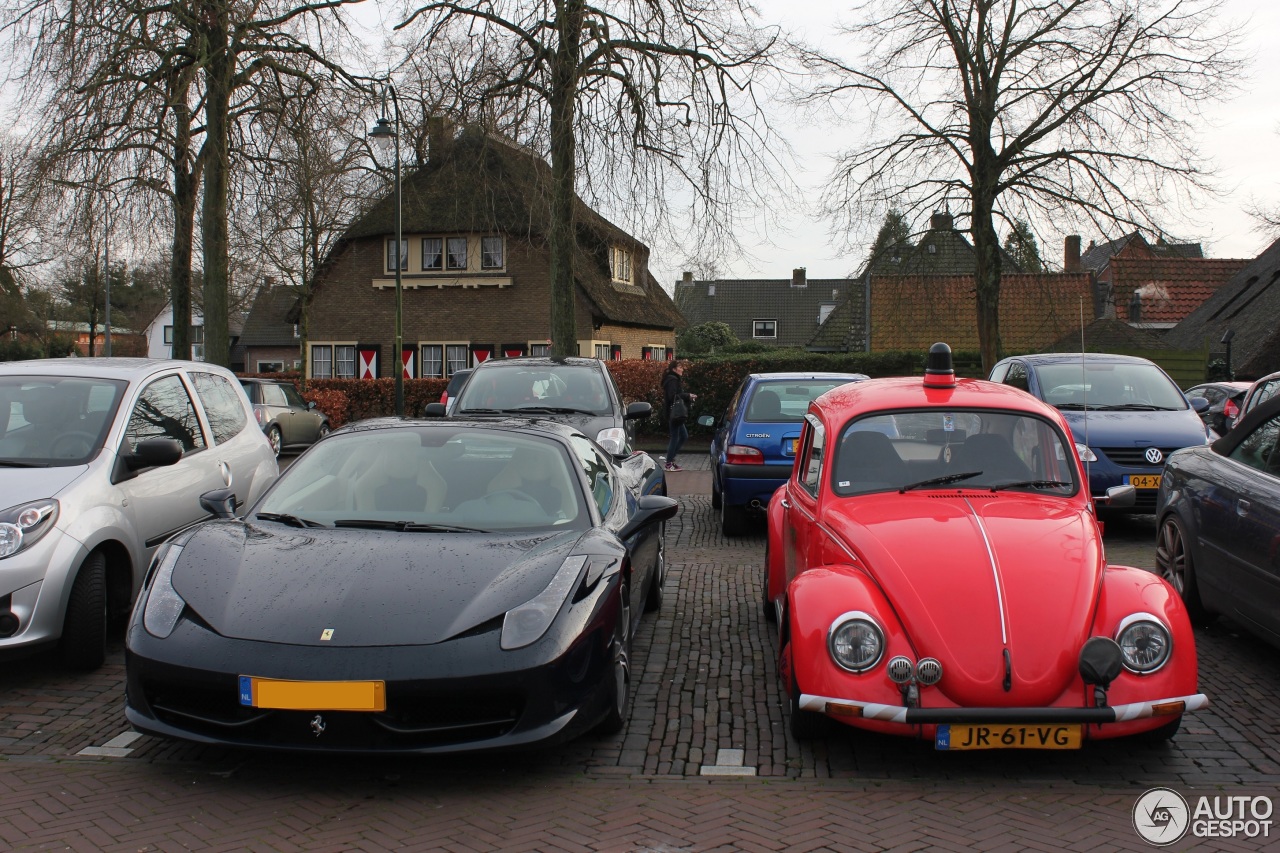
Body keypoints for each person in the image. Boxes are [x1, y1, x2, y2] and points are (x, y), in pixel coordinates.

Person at [661, 360, 696, 472]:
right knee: (675, 437)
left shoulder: (672, 379)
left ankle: (671, 460)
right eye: (680, 367)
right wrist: (688, 395)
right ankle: (668, 463)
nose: (682, 369)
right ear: (674, 369)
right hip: (675, 414)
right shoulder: (672, 380)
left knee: (683, 436)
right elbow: (673, 396)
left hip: (674, 414)